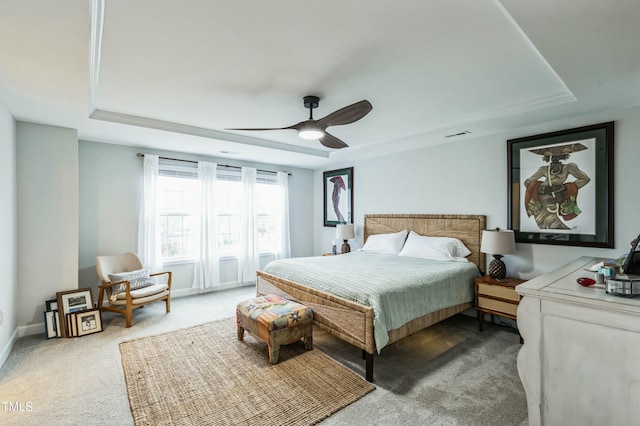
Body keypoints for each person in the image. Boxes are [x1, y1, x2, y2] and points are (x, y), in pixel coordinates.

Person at [523, 143, 590, 230]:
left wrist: (567, 188)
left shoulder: (568, 167)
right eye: (552, 154)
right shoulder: (544, 169)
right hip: (541, 198)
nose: (554, 157)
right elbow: (528, 181)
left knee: (553, 223)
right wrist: (538, 186)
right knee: (542, 222)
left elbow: (585, 179)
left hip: (555, 198)